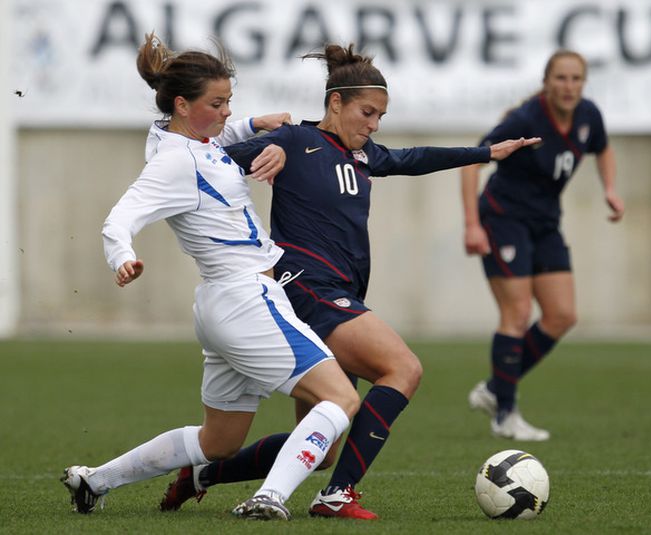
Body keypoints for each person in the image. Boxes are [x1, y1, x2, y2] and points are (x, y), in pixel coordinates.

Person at [158, 43, 540, 520]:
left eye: (380, 116)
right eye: (367, 112)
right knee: (404, 369)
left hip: (337, 294)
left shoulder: (363, 156)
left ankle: (203, 475)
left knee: (323, 446)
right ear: (335, 103)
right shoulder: (295, 140)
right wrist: (262, 142)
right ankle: (337, 497)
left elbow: (414, 157)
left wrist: (488, 152)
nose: (374, 124)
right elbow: (205, 161)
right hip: (308, 289)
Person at [60, 32, 361, 521]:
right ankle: (270, 497)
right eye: (217, 103)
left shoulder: (179, 137)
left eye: (229, 102)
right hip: (247, 299)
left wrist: (250, 123)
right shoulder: (175, 160)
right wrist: (122, 256)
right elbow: (120, 217)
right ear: (182, 104)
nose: (225, 112)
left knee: (218, 441)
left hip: (221, 306)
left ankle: (94, 480)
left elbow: (216, 141)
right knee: (341, 398)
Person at [460, 49, 625, 441]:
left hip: (545, 223)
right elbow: (472, 163)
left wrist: (611, 190)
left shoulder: (588, 116)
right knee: (516, 313)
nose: (569, 87)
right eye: (561, 78)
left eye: (576, 79)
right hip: (503, 220)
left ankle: (495, 388)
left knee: (562, 315)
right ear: (546, 82)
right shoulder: (525, 120)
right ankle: (505, 413)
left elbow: (602, 148)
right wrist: (471, 225)